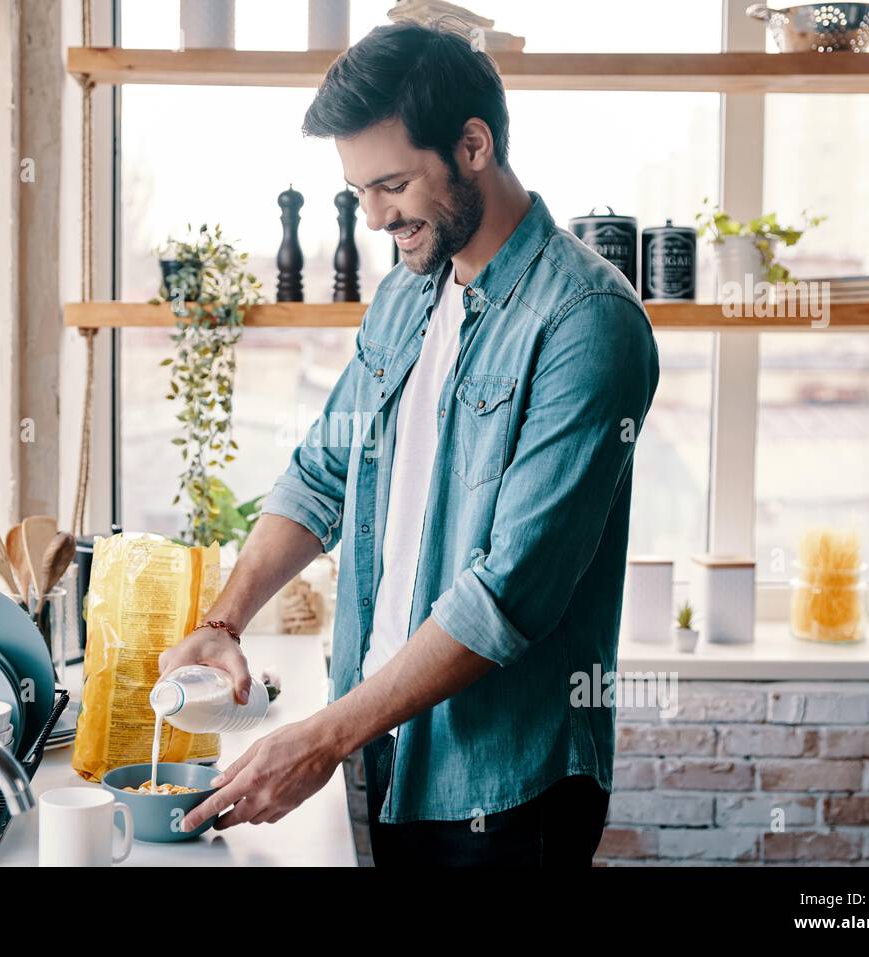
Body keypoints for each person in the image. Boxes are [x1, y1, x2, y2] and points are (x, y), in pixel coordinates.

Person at [162, 21, 660, 867]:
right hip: (386, 739)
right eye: (359, 191)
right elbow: (324, 472)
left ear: (474, 145)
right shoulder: (406, 294)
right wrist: (224, 617)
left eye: (392, 184)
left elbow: (508, 593)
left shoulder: (588, 323)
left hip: (505, 785)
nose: (375, 216)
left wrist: (321, 738)